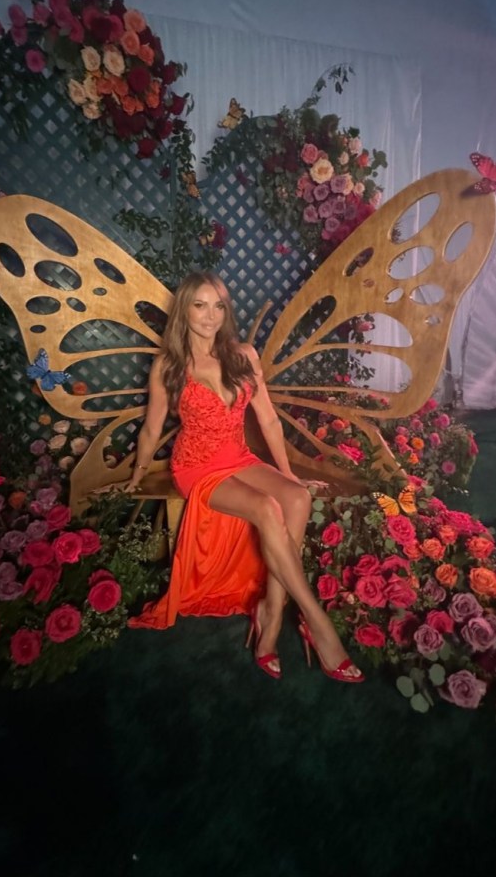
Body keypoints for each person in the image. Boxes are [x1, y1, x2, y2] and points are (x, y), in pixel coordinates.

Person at [124, 271, 363, 683]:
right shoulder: (169, 365)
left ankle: (271, 612)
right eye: (200, 305)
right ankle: (315, 621)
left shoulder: (244, 356)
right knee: (267, 508)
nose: (210, 316)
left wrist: (289, 475)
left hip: (239, 456)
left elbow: (268, 419)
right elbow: (150, 429)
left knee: (296, 499)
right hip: (196, 467)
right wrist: (137, 475)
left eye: (219, 306)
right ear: (184, 309)